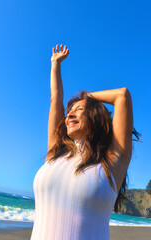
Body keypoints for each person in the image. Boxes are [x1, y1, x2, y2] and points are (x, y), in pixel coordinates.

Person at [30, 44, 136, 240]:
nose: (69, 114)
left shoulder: (111, 162)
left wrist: (86, 97)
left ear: (96, 117)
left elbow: (122, 96)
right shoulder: (56, 154)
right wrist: (55, 65)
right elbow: (56, 100)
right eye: (70, 111)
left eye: (79, 110)